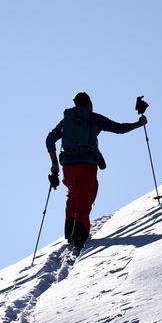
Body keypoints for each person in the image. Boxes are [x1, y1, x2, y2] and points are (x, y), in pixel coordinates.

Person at [46, 92, 147, 249]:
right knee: (86, 195)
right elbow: (119, 128)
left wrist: (54, 165)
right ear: (88, 103)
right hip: (87, 164)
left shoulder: (67, 120)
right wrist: (138, 124)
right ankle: (80, 233)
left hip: (68, 166)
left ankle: (70, 229)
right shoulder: (93, 118)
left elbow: (49, 139)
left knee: (73, 194)